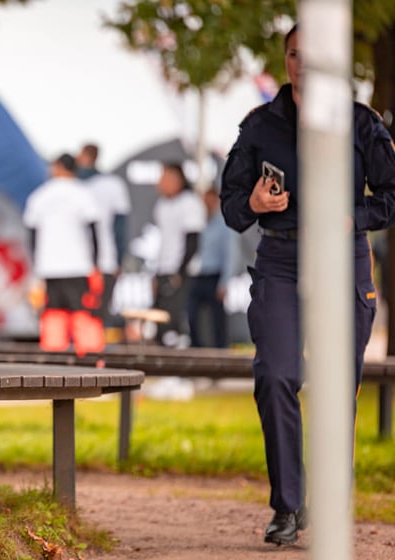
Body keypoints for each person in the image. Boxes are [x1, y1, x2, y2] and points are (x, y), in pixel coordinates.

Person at [220, 24, 395, 546]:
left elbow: (391, 195)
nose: (303, 65)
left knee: (337, 387)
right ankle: (287, 506)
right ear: (286, 60)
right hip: (281, 257)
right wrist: (253, 203)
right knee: (275, 374)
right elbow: (230, 209)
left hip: (344, 257)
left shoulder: (362, 123)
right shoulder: (259, 126)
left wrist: (354, 215)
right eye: (295, 55)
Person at [23, 153, 104, 356]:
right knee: (83, 315)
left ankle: (53, 362)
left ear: (57, 167)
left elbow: (32, 234)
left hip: (48, 267)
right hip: (78, 265)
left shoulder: (40, 195)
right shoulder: (83, 193)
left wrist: (37, 263)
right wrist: (95, 264)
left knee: (52, 315)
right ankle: (93, 363)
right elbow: (94, 232)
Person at [76, 143, 132, 336]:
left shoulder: (73, 184)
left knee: (94, 316)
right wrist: (119, 259)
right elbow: (120, 226)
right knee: (91, 317)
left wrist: (118, 259)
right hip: (91, 262)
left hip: (94, 261)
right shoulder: (110, 184)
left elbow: (119, 226)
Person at [152, 162, 206, 347]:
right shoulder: (162, 204)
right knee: (160, 319)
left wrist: (180, 272)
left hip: (182, 270)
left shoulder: (189, 202)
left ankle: (180, 360)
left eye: (163, 178)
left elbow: (193, 240)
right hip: (164, 268)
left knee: (176, 317)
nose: (158, 183)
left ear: (176, 180)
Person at [186, 188, 237, 348]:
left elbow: (230, 254)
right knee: (191, 313)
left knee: (217, 318)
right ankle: (196, 348)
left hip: (215, 275)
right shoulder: (197, 221)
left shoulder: (223, 224)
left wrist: (224, 282)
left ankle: (220, 350)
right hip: (197, 274)